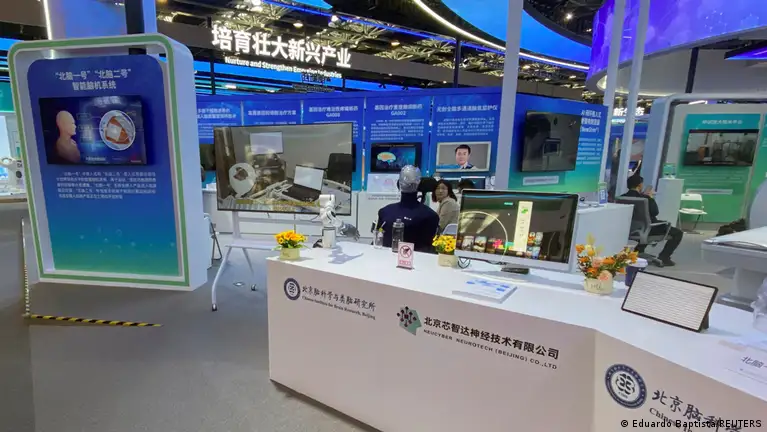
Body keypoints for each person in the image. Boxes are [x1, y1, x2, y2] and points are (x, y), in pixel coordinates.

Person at [622, 175, 683, 267]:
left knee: (645, 226)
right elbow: (655, 212)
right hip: (648, 229)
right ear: (640, 185)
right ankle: (664, 257)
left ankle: (638, 251)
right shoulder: (645, 199)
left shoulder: (622, 198)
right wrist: (650, 197)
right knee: (678, 233)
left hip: (629, 229)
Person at [376, 165, 439, 253]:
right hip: (415, 259)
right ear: (419, 184)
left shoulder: (385, 212)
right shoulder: (431, 216)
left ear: (399, 184)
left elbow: (378, 240)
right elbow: (427, 249)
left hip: (384, 258)